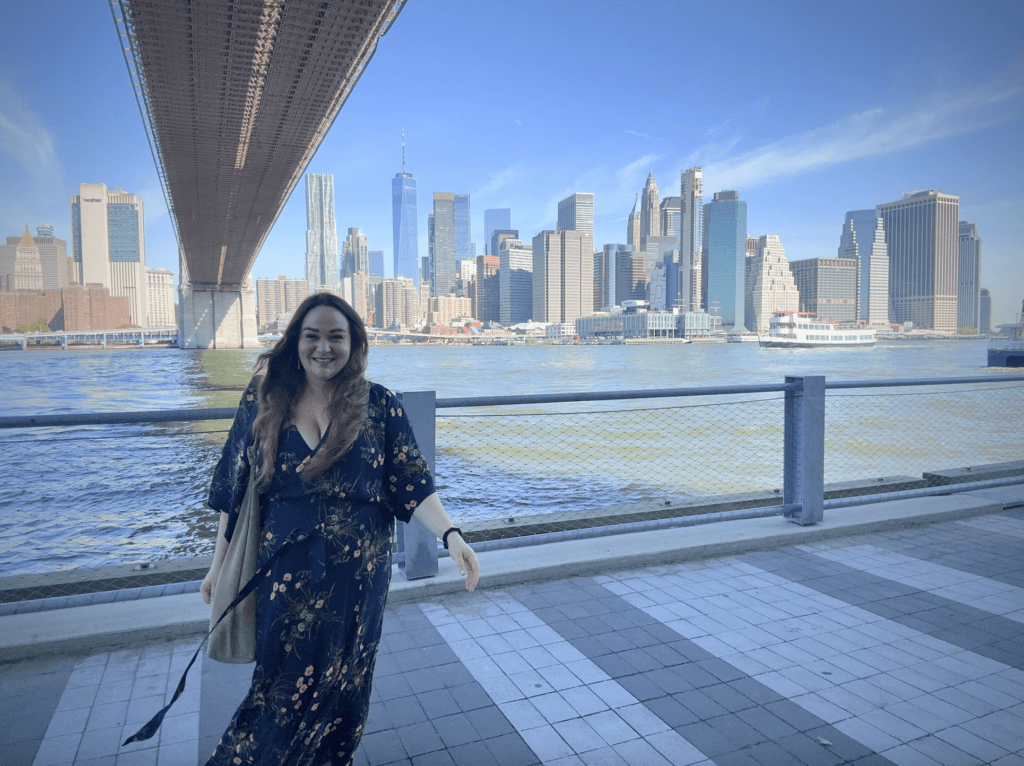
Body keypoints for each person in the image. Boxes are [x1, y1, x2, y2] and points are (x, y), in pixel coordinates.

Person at [200, 292, 479, 765]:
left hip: (358, 584)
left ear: (354, 344)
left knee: (344, 693)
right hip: (284, 580)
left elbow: (411, 483)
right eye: (313, 336)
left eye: (336, 337)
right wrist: (217, 566)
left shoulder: (379, 406)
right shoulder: (264, 399)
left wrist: (452, 535)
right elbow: (235, 487)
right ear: (296, 342)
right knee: (278, 693)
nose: (323, 348)